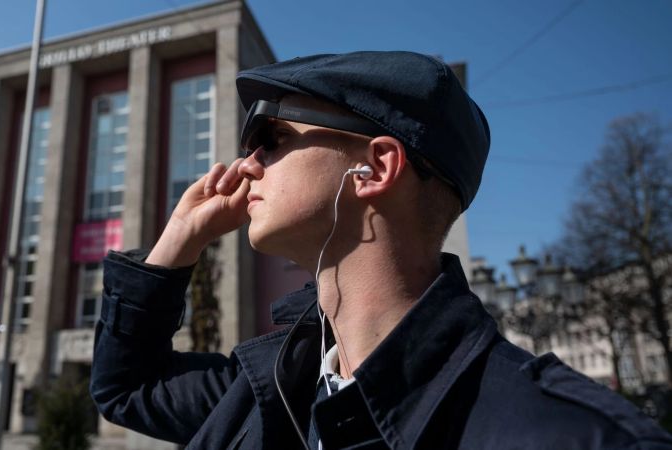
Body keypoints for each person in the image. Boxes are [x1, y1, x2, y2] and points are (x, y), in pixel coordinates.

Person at [90, 51, 672, 449]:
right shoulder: (266, 387)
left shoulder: (570, 436)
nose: (245, 164)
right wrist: (176, 242)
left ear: (377, 166)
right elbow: (126, 389)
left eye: (270, 138)